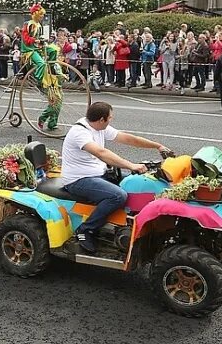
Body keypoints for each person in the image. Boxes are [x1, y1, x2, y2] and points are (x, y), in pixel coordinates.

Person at [59, 102, 170, 254]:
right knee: (118, 195)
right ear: (102, 120)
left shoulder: (97, 126)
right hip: (78, 180)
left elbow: (129, 139)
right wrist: (131, 165)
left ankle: (127, 224)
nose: (111, 120)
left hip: (98, 173)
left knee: (137, 184)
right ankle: (85, 230)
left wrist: (157, 146)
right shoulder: (80, 132)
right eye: (110, 118)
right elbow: (101, 153)